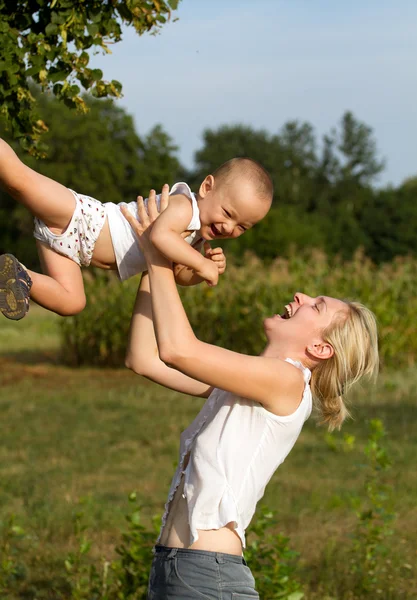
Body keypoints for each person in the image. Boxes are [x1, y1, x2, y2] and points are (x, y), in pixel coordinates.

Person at [123, 188, 379, 599]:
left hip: (206, 578)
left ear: (320, 349)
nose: (300, 296)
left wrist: (158, 247)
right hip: (176, 570)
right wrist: (153, 262)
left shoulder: (287, 382)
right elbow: (145, 358)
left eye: (315, 306)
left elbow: (178, 349)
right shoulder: (247, 383)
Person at [0, 137, 272, 320]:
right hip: (85, 219)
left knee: (72, 303)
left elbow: (179, 276)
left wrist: (199, 271)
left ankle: (16, 275)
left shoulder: (195, 238)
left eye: (242, 227)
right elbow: (160, 236)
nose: (229, 227)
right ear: (207, 187)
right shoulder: (184, 206)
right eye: (228, 213)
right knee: (19, 180)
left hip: (74, 252)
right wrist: (201, 265)